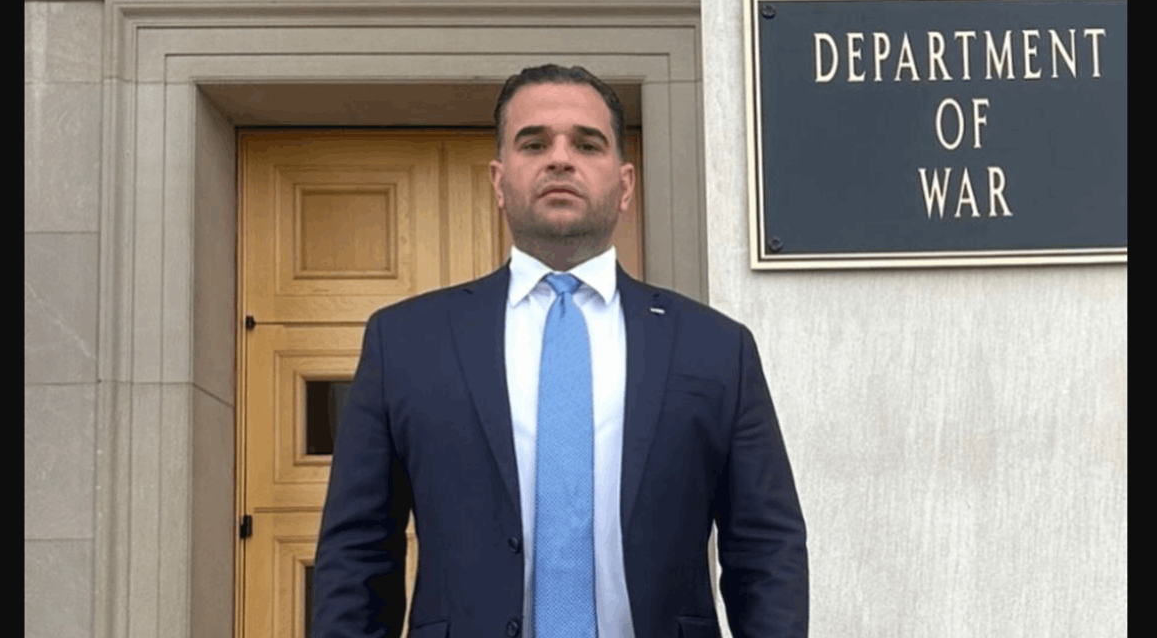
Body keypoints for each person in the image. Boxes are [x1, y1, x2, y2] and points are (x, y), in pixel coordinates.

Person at [312, 64, 808, 638]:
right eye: (534, 143)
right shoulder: (406, 342)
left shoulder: (716, 348)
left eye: (587, 144)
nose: (560, 159)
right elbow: (358, 552)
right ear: (499, 181)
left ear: (625, 185)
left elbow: (765, 549)